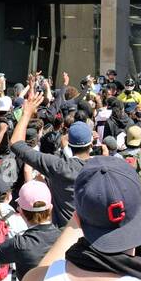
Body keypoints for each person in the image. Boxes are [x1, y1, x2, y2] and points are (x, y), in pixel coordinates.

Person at [10, 90, 94, 227]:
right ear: (91, 144)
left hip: (62, 233)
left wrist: (26, 114)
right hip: (93, 234)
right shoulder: (103, 167)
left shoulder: (58, 166)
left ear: (68, 142)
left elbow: (15, 144)